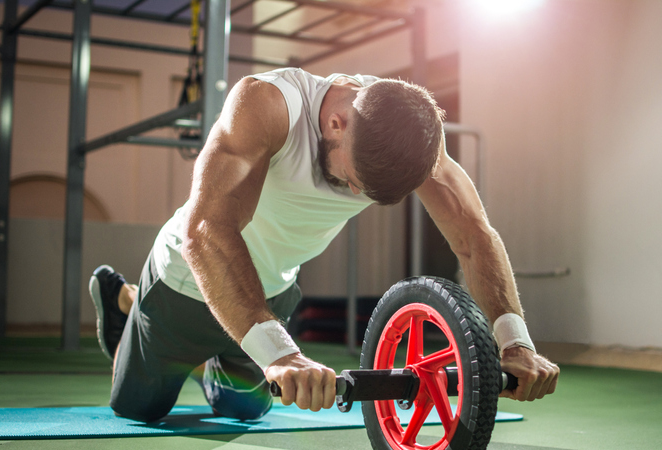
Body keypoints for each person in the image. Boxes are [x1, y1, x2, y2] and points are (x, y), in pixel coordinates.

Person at [89, 67, 559, 423]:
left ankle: (223, 352)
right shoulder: (268, 104)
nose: (354, 195)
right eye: (355, 181)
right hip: (185, 282)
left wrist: (514, 343)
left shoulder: (412, 132)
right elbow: (207, 229)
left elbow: (474, 236)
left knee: (246, 410)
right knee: (138, 409)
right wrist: (283, 356)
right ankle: (126, 300)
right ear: (336, 123)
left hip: (267, 292)